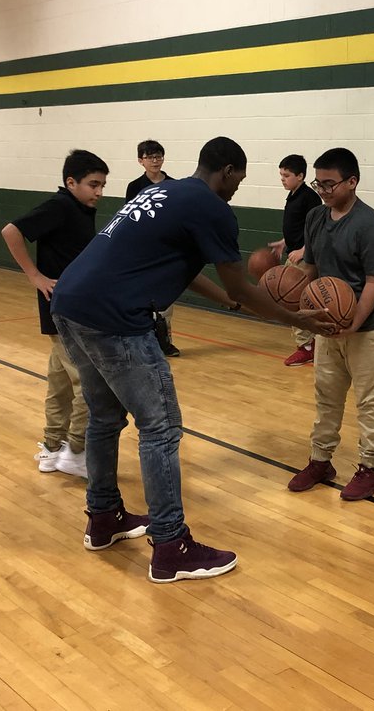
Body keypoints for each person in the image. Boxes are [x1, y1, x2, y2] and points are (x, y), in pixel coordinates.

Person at [50, 136, 330, 583]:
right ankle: (170, 545)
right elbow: (243, 286)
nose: (238, 187)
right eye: (239, 178)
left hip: (69, 303)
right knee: (159, 428)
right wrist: (299, 320)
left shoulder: (165, 192)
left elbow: (190, 267)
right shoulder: (213, 207)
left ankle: (102, 518)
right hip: (114, 317)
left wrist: (227, 302)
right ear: (229, 171)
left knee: (104, 418)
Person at [286, 147, 374, 501]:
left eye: (330, 184)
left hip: (368, 323)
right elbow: (311, 269)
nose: (323, 190)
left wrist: (352, 323)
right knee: (327, 396)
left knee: (369, 399)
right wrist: (288, 293)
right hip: (328, 324)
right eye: (318, 183)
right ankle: (321, 461)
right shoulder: (316, 218)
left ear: (352, 182)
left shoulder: (370, 225)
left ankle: (371, 468)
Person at [1, 150, 110, 480]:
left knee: (60, 383)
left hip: (74, 307)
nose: (99, 192)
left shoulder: (79, 207)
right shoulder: (60, 206)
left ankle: (51, 447)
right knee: (89, 383)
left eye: (103, 185)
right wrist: (34, 276)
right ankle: (76, 451)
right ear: (70, 182)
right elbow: (11, 231)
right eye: (93, 184)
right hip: (62, 310)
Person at [125, 139, 180, 357]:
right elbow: (129, 218)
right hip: (143, 249)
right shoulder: (135, 187)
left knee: (166, 302)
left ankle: (165, 342)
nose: (155, 160)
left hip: (167, 249)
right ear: (141, 161)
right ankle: (144, 342)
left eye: (158, 156)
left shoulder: (174, 184)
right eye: (150, 157)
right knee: (144, 299)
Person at [268, 153, 322, 367]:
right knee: (291, 302)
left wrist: (303, 249)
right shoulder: (293, 194)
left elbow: (318, 230)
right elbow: (299, 227)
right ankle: (312, 343)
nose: (282, 178)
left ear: (300, 176)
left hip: (306, 259)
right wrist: (286, 242)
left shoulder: (310, 198)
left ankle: (307, 346)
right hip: (295, 253)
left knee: (294, 302)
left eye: (287, 175)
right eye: (281, 174)